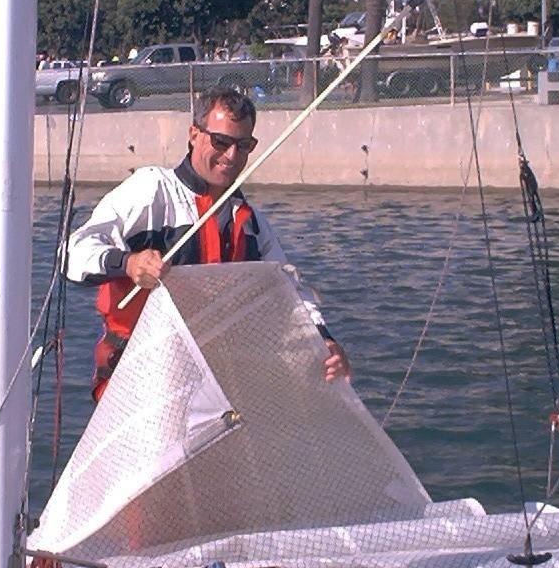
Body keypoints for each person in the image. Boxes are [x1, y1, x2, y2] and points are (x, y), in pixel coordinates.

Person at [65, 87, 351, 401]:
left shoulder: (251, 222)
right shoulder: (151, 191)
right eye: (221, 141)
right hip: (141, 386)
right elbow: (73, 253)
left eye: (244, 145)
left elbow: (289, 291)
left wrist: (323, 340)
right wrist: (129, 264)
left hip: (217, 388)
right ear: (193, 134)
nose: (232, 156)